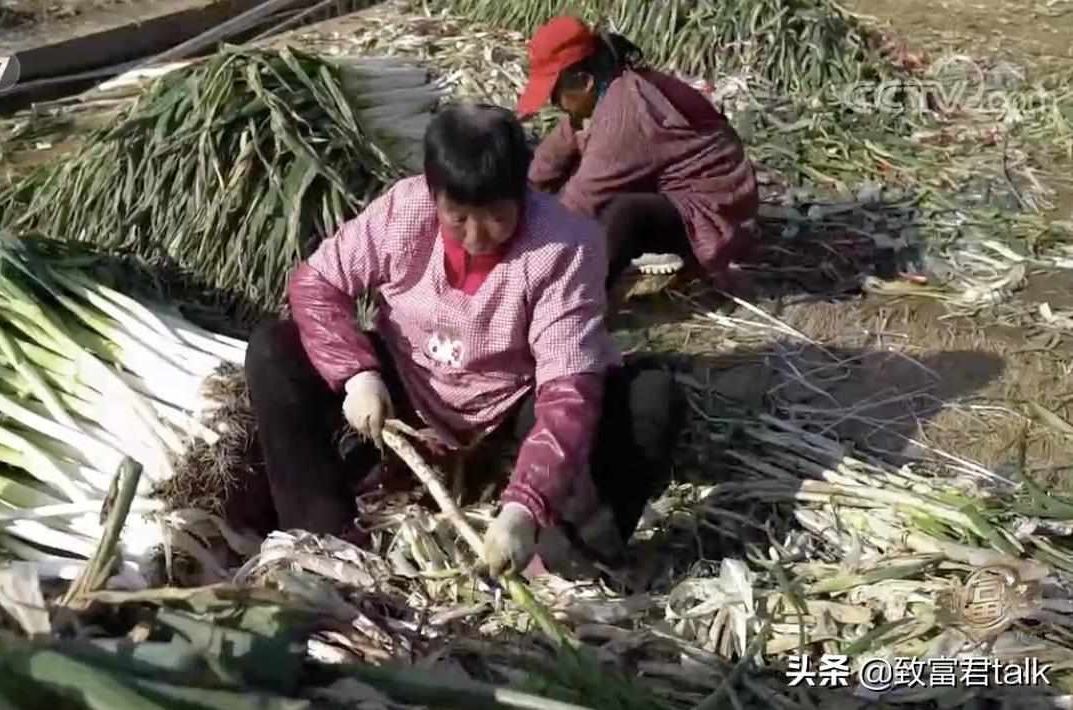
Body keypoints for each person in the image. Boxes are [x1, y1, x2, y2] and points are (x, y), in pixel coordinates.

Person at [236, 103, 679, 579]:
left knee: (650, 399)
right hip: (412, 380)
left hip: (510, 401)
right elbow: (317, 283)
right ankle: (324, 537)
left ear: (522, 197)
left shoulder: (564, 246)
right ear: (434, 193)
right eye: (457, 217)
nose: (476, 237)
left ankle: (563, 559)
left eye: (496, 218)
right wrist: (356, 374)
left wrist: (524, 506)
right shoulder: (404, 211)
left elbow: (565, 389)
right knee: (274, 352)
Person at [515, 16, 759, 292]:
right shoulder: (606, 92)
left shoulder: (625, 116)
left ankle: (578, 301)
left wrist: (521, 250)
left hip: (712, 210)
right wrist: (521, 197)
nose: (554, 104)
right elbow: (553, 155)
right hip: (664, 188)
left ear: (584, 81)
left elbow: (579, 204)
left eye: (555, 95)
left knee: (624, 215)